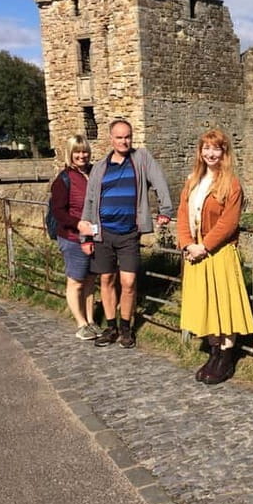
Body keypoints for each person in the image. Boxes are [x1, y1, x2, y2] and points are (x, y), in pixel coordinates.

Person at [78, 119, 173, 350]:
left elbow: (159, 181)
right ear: (111, 139)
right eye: (119, 137)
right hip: (103, 233)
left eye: (127, 136)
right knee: (107, 280)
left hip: (129, 232)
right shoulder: (100, 167)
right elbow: (90, 202)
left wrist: (165, 209)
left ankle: (126, 328)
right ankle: (111, 327)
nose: (124, 141)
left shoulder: (140, 158)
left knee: (128, 282)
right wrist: (85, 236)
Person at [176, 128, 253, 385]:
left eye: (216, 148)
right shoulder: (193, 181)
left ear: (224, 152)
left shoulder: (230, 183)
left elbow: (228, 223)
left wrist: (204, 246)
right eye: (206, 148)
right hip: (195, 254)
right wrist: (187, 244)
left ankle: (225, 357)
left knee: (224, 306)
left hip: (218, 252)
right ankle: (212, 353)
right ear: (200, 151)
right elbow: (182, 215)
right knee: (206, 305)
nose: (210, 153)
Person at [51, 134, 100, 341]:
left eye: (85, 151)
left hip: (94, 237)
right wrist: (77, 224)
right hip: (72, 238)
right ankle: (80, 323)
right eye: (77, 152)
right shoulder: (63, 180)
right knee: (76, 282)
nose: (82, 155)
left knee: (90, 280)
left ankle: (91, 320)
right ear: (70, 154)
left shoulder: (94, 173)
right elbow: (58, 211)